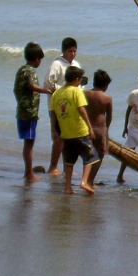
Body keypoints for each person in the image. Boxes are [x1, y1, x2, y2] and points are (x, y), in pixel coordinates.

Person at [49, 66, 99, 195]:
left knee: (69, 161)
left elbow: (53, 114)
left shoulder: (57, 93)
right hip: (80, 131)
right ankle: (84, 182)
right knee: (91, 157)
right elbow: (82, 110)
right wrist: (90, 127)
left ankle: (67, 187)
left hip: (66, 133)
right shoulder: (76, 92)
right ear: (77, 79)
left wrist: (53, 131)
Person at [13, 42, 52, 182]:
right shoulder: (29, 71)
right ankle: (29, 173)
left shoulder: (22, 70)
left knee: (28, 143)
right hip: (28, 113)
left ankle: (28, 172)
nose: (40, 62)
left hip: (24, 111)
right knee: (29, 144)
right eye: (40, 59)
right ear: (35, 58)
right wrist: (47, 90)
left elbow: (17, 90)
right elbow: (32, 86)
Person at [43, 37, 81, 175]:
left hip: (73, 107)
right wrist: (63, 89)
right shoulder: (57, 64)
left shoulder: (76, 65)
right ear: (64, 51)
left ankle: (67, 168)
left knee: (69, 139)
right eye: (70, 51)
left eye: (75, 51)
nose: (73, 54)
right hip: (57, 107)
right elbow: (48, 84)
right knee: (59, 138)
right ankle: (52, 167)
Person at [84, 69, 113, 188]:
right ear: (105, 85)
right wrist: (107, 131)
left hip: (86, 128)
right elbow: (109, 117)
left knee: (87, 155)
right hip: (100, 129)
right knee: (99, 155)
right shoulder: (107, 98)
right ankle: (90, 180)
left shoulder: (85, 93)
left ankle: (85, 179)